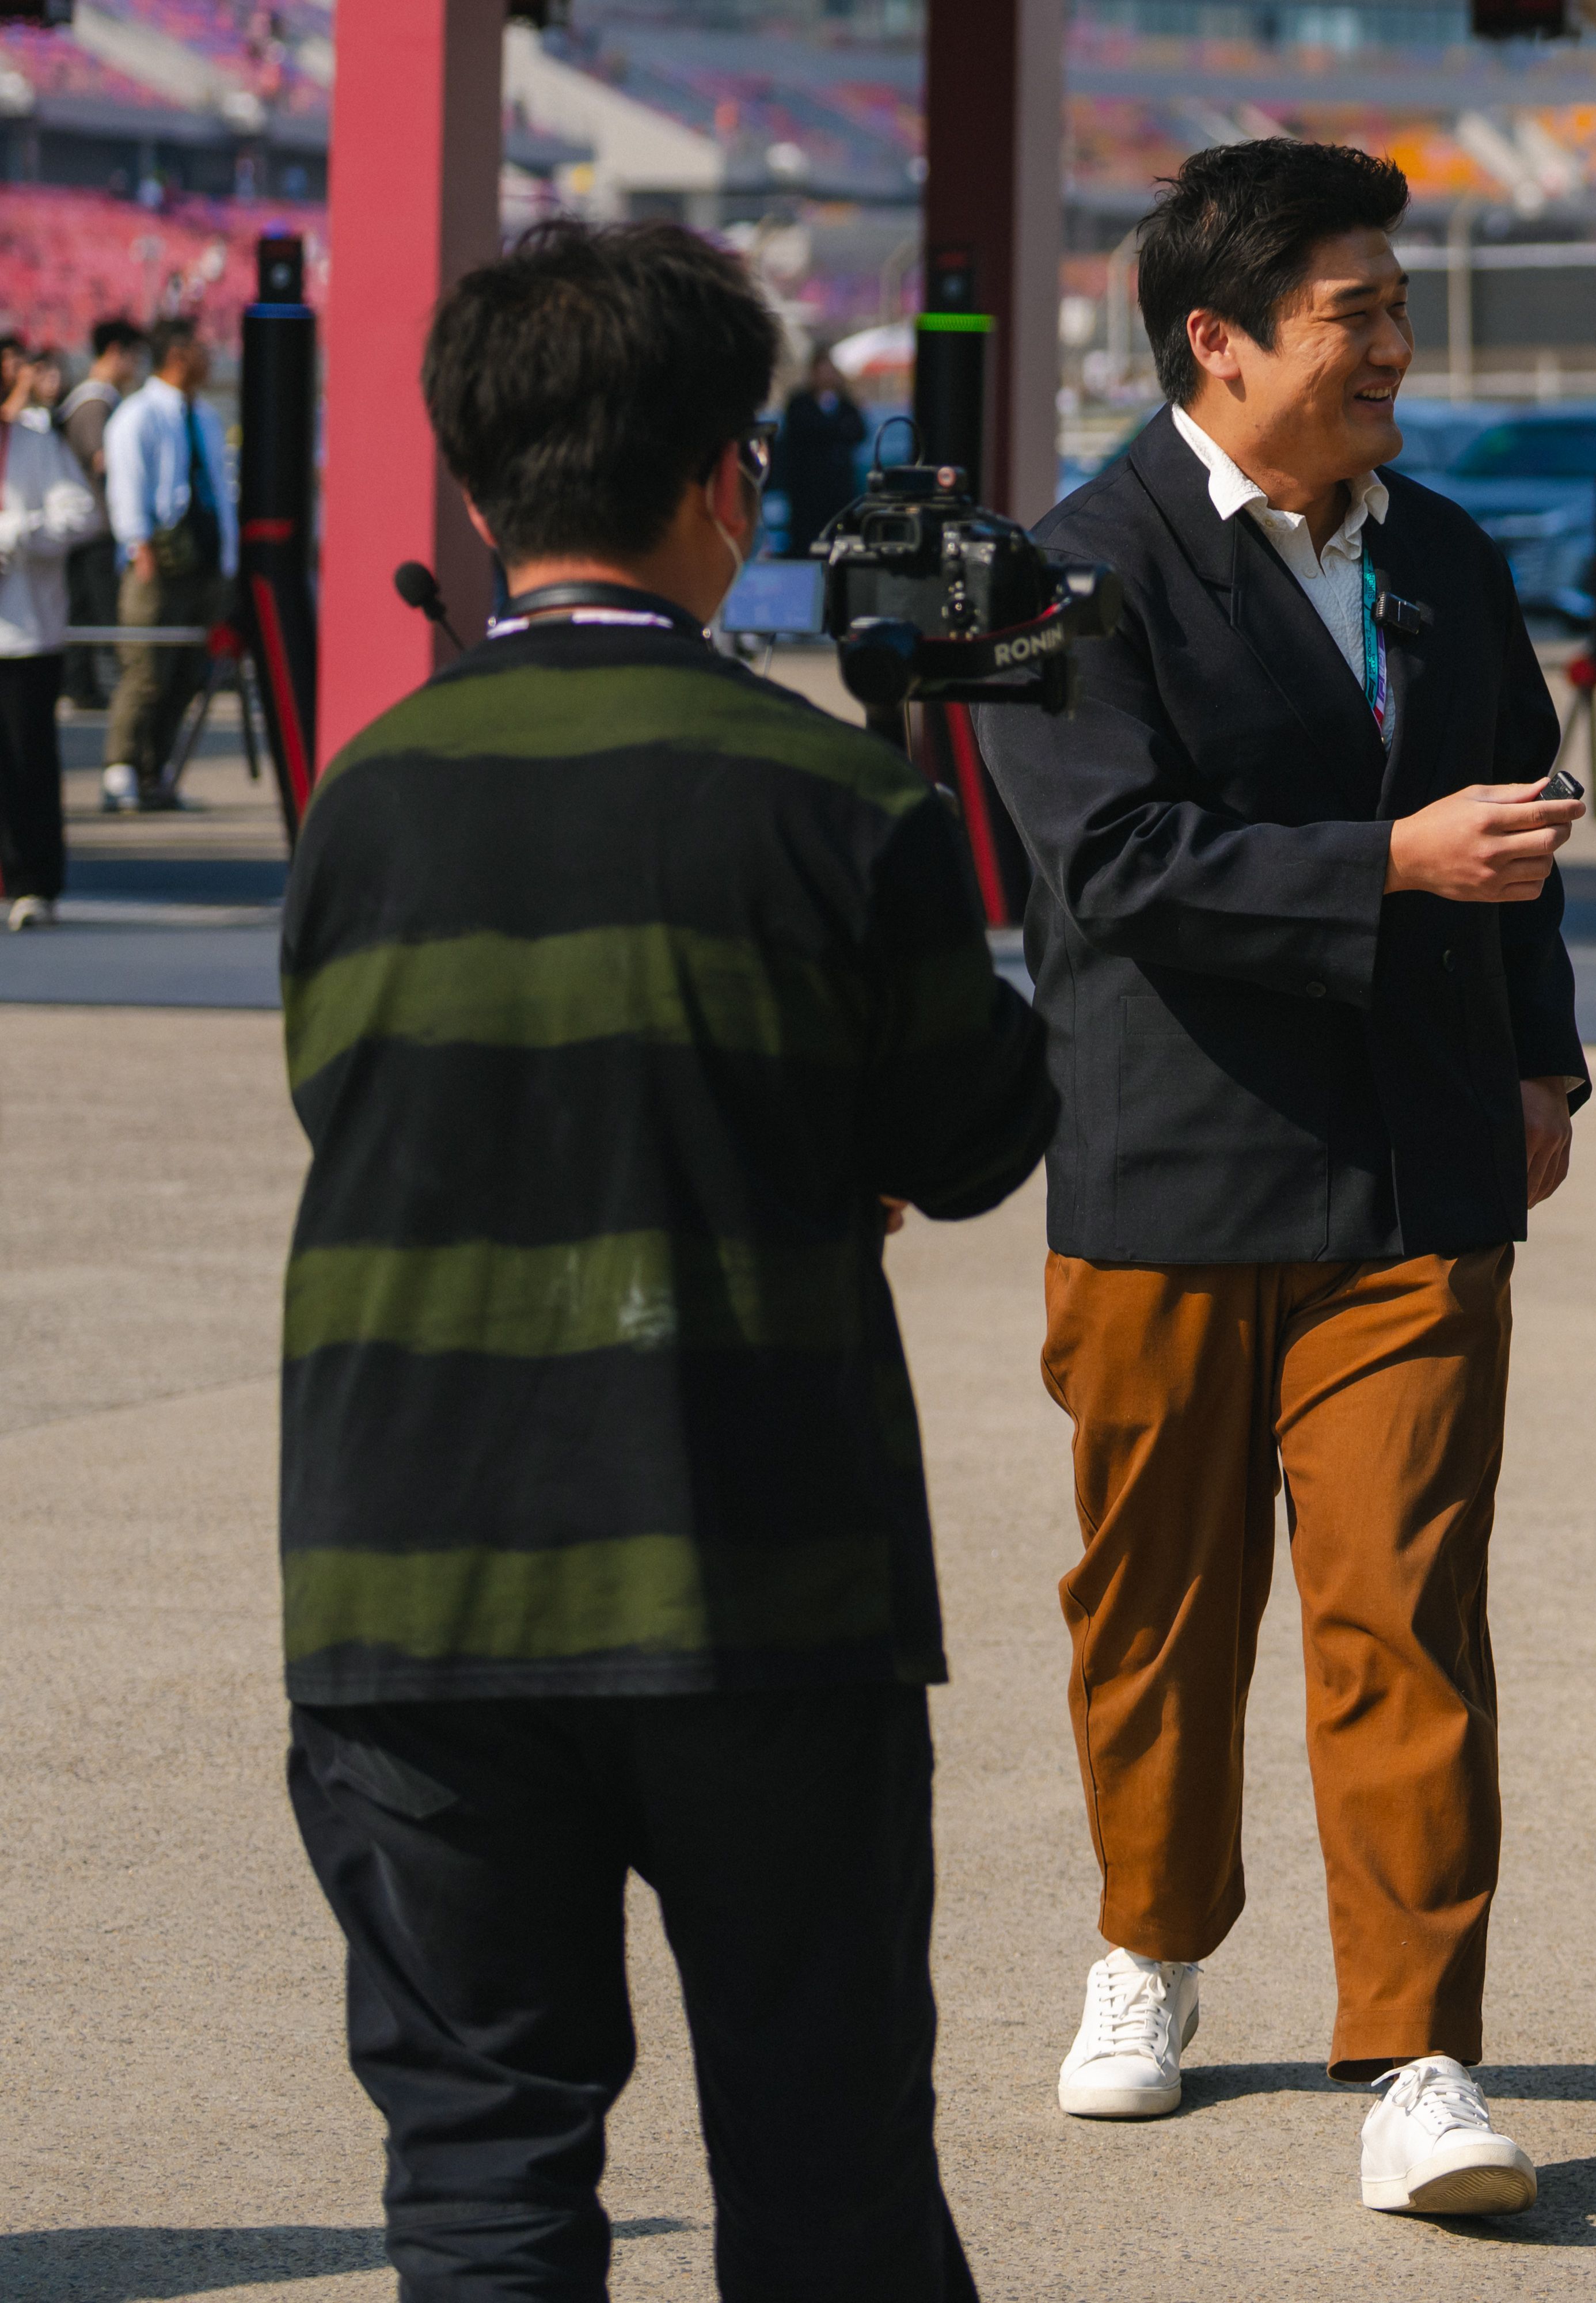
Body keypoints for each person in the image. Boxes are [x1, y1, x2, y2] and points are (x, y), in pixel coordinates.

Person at [276, 218, 1054, 2299]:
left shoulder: (363, 796)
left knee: (484, 2171)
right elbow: (973, 1131)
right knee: (824, 2168)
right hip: (750, 1574)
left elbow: (369, 1110)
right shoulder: (828, 793)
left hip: (406, 1585)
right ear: (734, 482)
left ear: (475, 488)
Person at [973, 136, 1590, 2218]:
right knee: (1154, 1609)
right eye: (1359, 312)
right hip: (1160, 1173)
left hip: (1415, 1176)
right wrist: (1386, 864)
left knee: (1407, 1613)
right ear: (1214, 344)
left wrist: (1536, 1049)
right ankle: (1148, 1941)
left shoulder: (1452, 561)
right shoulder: (1075, 571)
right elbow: (1111, 859)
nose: (1395, 347)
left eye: (1396, 306)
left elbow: (1520, 827)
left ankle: (1420, 2051)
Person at [100, 317, 233, 812]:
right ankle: (121, 768)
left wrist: (227, 557)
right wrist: (140, 545)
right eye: (200, 347)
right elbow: (129, 485)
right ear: (177, 355)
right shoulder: (139, 415)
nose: (210, 356)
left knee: (185, 674)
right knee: (146, 670)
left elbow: (217, 487)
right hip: (157, 561)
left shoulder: (205, 416)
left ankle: (157, 769)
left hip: (202, 561)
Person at [0, 339, 102, 929]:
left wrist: (17, 532)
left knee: (29, 761)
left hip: (26, 636)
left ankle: (32, 882)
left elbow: (81, 515)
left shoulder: (37, 445)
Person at [59, 316, 142, 709]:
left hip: (91, 526)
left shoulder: (96, 399)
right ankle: (83, 686)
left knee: (86, 610)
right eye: (133, 355)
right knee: (98, 611)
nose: (137, 365)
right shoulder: (94, 402)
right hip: (93, 527)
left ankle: (82, 686)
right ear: (115, 353)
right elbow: (102, 461)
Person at [772, 348, 871, 550]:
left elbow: (859, 432)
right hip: (807, 488)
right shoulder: (800, 403)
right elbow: (803, 430)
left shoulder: (845, 404)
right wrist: (836, 429)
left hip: (838, 490)